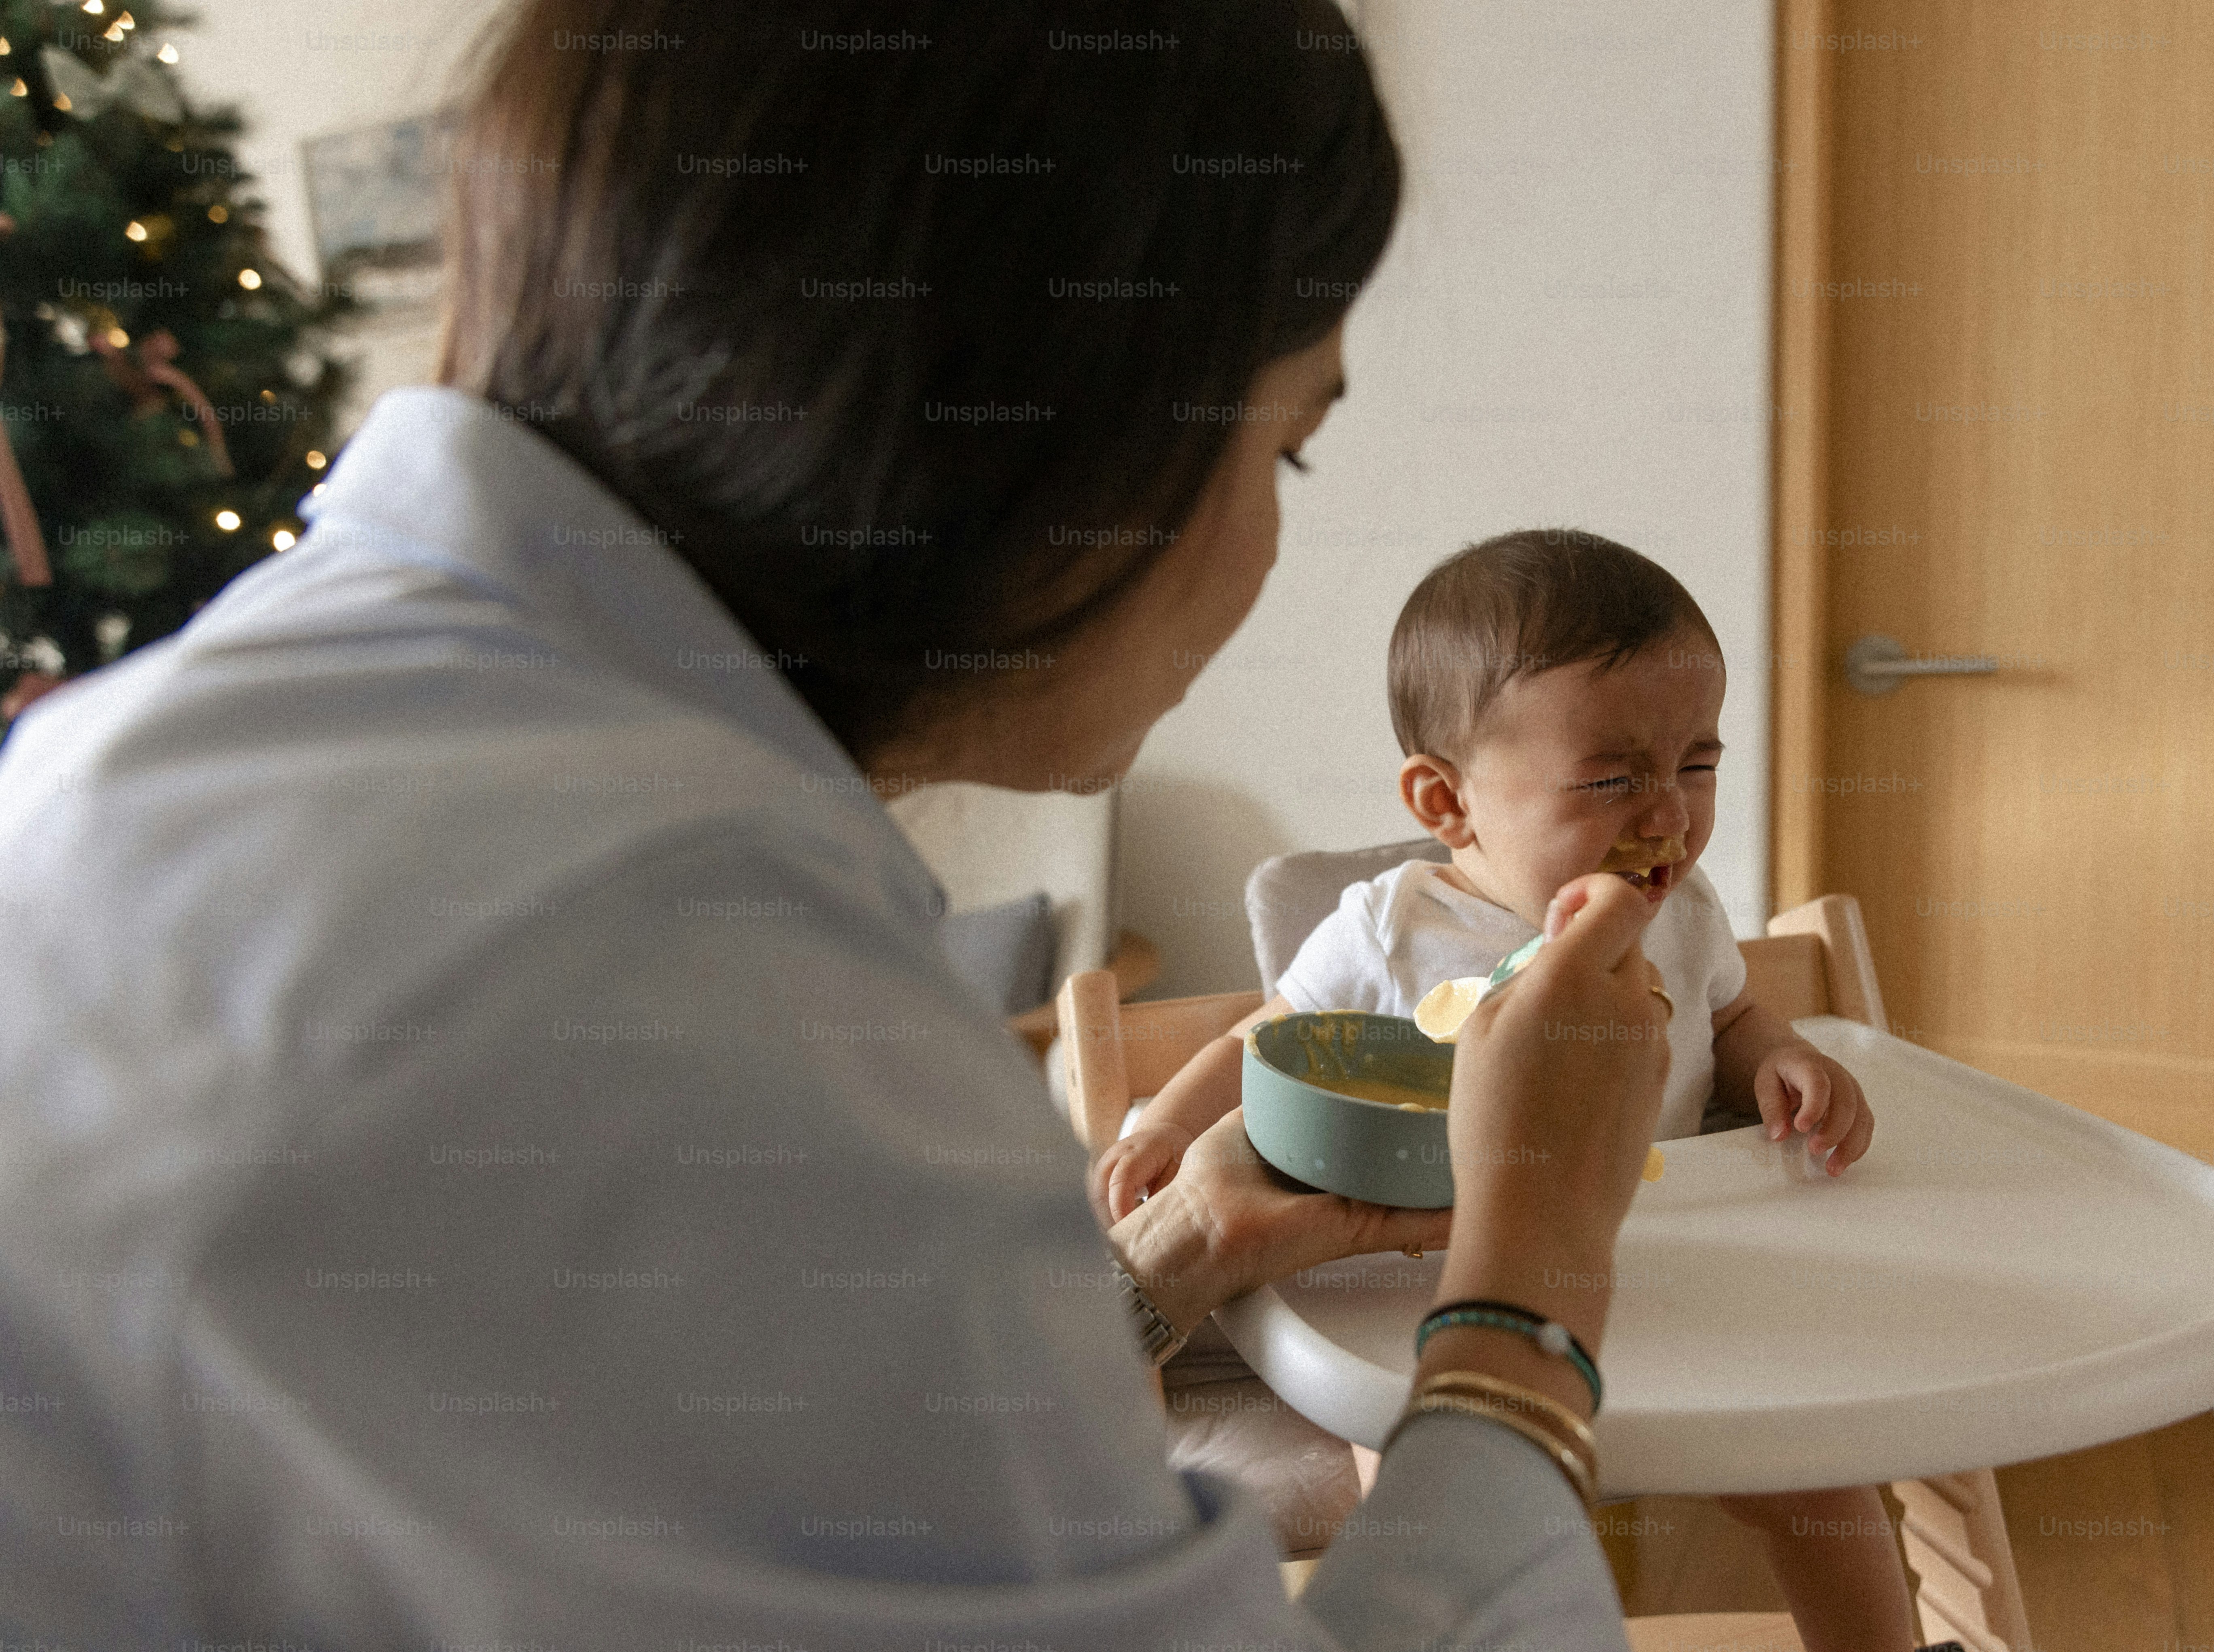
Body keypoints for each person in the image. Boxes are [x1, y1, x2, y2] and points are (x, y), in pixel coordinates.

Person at [0, 2, 1679, 1647]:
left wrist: (1149, 1265)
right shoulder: (699, 1004)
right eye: (1287, 454)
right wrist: (1531, 1284)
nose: (1260, 551)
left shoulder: (153, 755)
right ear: (1058, 419)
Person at [1094, 528, 1910, 1649]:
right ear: (1446, 800)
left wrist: (1780, 1056)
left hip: (1661, 1265)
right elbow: (1269, 1037)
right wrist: (1176, 1132)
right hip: (1424, 1290)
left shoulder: (1680, 902)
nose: (1668, 813)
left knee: (1824, 1476)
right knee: (1416, 1485)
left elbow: (1726, 1014)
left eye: (1697, 763)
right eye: (1613, 777)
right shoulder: (1396, 929)